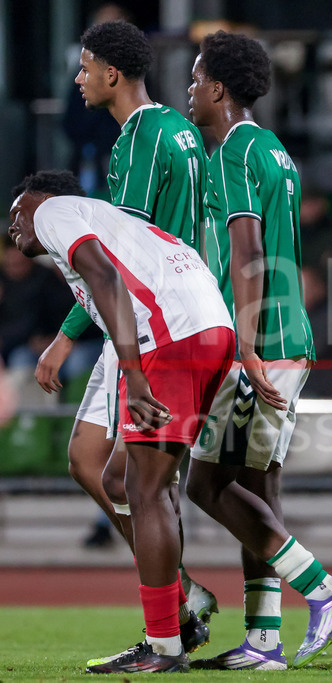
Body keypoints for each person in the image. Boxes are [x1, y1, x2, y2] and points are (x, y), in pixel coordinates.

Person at [34, 19, 218, 662]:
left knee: (134, 481)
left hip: (149, 322)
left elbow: (115, 261)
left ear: (112, 73)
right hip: (185, 306)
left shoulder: (138, 139)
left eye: (85, 66)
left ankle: (174, 617)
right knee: (98, 466)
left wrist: (65, 336)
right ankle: (181, 599)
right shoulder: (180, 131)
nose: (79, 77)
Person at [8, 171, 236, 674]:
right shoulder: (112, 220)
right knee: (119, 479)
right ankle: (178, 612)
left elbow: (106, 278)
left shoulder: (53, 211)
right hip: (207, 328)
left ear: (42, 198)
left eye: (17, 210)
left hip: (169, 338)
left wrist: (133, 373)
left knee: (144, 490)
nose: (13, 224)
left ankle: (166, 645)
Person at [184, 31, 332, 671]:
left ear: (218, 89)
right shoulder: (274, 150)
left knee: (205, 484)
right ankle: (263, 640)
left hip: (261, 341)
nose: (189, 91)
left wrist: (246, 344)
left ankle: (324, 588)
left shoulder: (233, 149)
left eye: (196, 79)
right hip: (289, 335)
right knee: (256, 488)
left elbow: (248, 250)